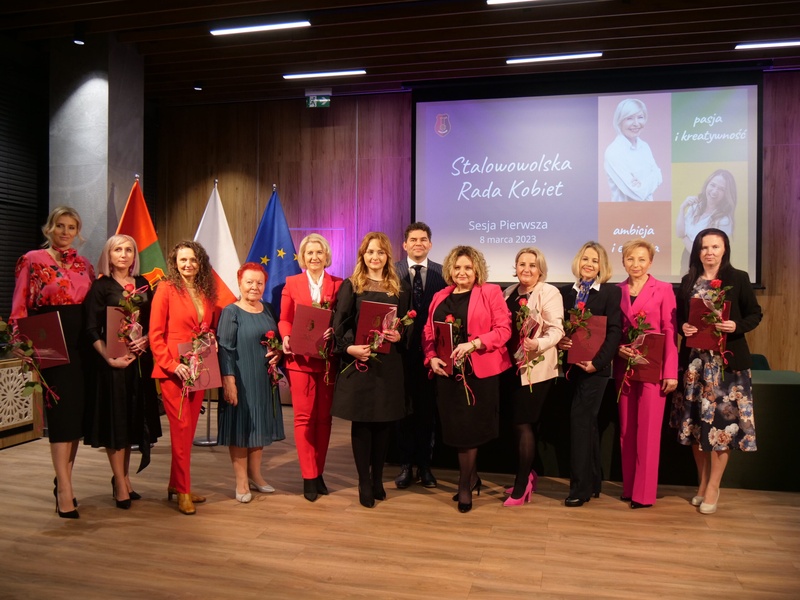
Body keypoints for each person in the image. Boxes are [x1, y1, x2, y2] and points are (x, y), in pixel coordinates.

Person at [11, 206, 95, 518]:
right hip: (50, 342)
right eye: (60, 225)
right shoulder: (32, 259)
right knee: (61, 416)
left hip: (82, 347)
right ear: (50, 228)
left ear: (77, 232)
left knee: (75, 418)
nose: (65, 232)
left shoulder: (85, 265)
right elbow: (20, 302)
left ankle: (64, 481)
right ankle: (65, 491)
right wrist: (20, 341)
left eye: (71, 227)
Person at [670, 229, 762, 514]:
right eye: (704, 247)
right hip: (695, 366)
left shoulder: (739, 278)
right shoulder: (688, 281)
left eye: (715, 247)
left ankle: (713, 486)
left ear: (725, 249)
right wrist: (683, 327)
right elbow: (680, 318)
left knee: (722, 429)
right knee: (696, 427)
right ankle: (702, 483)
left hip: (726, 367)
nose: (709, 252)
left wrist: (736, 326)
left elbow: (755, 314)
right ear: (697, 251)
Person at [422, 246, 512, 513]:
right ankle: (472, 478)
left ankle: (464, 485)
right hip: (447, 375)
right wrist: (430, 357)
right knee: (457, 431)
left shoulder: (490, 292)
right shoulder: (440, 295)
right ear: (450, 270)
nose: (462, 272)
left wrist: (474, 344)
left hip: (478, 375)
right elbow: (428, 332)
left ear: (477, 270)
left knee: (469, 433)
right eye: (457, 267)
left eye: (468, 268)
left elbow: (504, 330)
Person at [331, 232, 411, 508]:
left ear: (388, 256)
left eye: (380, 252)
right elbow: (339, 324)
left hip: (389, 366)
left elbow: (406, 324)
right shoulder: (352, 285)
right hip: (360, 362)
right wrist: (350, 348)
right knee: (363, 423)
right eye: (370, 252)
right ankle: (363, 482)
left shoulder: (399, 288)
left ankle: (377, 480)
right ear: (362, 256)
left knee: (384, 424)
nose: (375, 257)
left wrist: (399, 335)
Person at [83, 235, 162, 509]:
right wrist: (108, 357)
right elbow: (90, 328)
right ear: (109, 254)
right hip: (114, 366)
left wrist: (148, 339)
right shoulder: (101, 286)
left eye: (129, 250)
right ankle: (119, 483)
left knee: (131, 422)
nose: (124, 254)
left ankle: (124, 479)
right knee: (116, 423)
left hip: (140, 363)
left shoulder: (143, 283)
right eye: (118, 249)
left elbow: (154, 321)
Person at [149, 240, 218, 515]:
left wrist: (211, 338)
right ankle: (184, 491)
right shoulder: (166, 288)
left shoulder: (204, 290)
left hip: (199, 366)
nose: (188, 264)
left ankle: (176, 484)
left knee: (187, 433)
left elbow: (206, 326)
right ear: (175, 263)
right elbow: (155, 335)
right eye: (183, 260)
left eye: (193, 260)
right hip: (175, 371)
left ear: (200, 263)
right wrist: (170, 365)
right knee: (180, 429)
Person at [612, 239, 678, 509]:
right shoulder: (616, 291)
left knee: (648, 432)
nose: (635, 264)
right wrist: (617, 349)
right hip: (624, 367)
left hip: (653, 367)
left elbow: (670, 331)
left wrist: (670, 372)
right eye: (630, 259)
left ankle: (644, 494)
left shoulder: (664, 289)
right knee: (627, 430)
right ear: (623, 261)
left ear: (650, 262)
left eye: (641, 259)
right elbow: (612, 331)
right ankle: (629, 488)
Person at [557, 241, 622, 507]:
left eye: (595, 260)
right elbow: (559, 328)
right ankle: (593, 481)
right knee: (587, 424)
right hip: (571, 368)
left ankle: (579, 489)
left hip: (596, 370)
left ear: (601, 266)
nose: (589, 264)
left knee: (581, 423)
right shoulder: (565, 293)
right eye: (585, 259)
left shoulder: (610, 293)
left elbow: (615, 331)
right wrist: (561, 341)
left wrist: (598, 363)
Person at [279, 234, 342, 502]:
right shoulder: (292, 283)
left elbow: (343, 319)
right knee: (303, 418)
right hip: (299, 361)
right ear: (302, 257)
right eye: (309, 253)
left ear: (326, 256)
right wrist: (285, 336)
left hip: (327, 361)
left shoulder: (339, 284)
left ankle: (319, 472)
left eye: (319, 252)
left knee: (324, 419)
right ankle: (308, 476)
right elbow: (284, 319)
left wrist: (334, 331)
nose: (314, 257)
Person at [500, 247, 563, 506]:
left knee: (523, 423)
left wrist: (537, 344)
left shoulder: (549, 292)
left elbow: (557, 330)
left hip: (535, 369)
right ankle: (528, 475)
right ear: (515, 267)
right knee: (516, 424)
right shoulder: (508, 292)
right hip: (509, 367)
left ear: (540, 270)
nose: (526, 269)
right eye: (522, 264)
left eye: (532, 265)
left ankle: (521, 486)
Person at [218, 262, 285, 504]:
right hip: (240, 379)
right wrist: (229, 381)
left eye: (259, 282)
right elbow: (225, 350)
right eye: (249, 282)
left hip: (264, 379)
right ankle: (241, 482)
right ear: (240, 283)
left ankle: (255, 475)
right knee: (240, 428)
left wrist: (278, 353)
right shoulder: (231, 312)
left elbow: (276, 340)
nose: (254, 287)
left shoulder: (268, 309)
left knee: (259, 425)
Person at [393, 222, 447, 490]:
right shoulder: (392, 272)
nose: (418, 243)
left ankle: (425, 466)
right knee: (403, 410)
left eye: (423, 239)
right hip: (398, 352)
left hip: (432, 353)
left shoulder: (443, 273)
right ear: (405, 244)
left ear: (430, 244)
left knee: (427, 411)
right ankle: (405, 465)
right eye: (413, 239)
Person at [676, 169, 737, 272]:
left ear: (726, 194)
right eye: (712, 185)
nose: (714, 191)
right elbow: (679, 232)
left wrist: (684, 237)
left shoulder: (724, 220)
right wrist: (682, 208)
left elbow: (702, 253)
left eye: (721, 189)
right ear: (707, 185)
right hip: (687, 259)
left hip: (707, 267)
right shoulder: (695, 206)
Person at [604, 98, 662, 202]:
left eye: (640, 117)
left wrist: (643, 182)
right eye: (629, 118)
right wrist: (652, 179)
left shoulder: (645, 146)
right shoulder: (613, 151)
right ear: (619, 121)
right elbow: (638, 194)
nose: (636, 123)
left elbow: (659, 176)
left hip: (649, 210)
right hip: (624, 212)